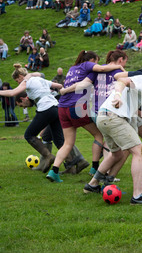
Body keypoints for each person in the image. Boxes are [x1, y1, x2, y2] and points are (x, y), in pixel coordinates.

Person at [83, 67, 142, 205]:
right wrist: (117, 96)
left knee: (117, 155)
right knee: (139, 151)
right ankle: (138, 196)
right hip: (113, 118)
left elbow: (129, 100)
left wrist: (140, 113)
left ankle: (92, 185)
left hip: (104, 117)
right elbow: (121, 81)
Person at [0, 64, 88, 176]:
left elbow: (12, 93)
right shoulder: (39, 79)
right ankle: (71, 165)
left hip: (46, 108)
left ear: (21, 76)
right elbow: (59, 85)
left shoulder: (27, 81)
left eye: (18, 81)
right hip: (56, 107)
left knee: (29, 135)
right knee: (59, 140)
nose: (19, 83)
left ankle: (48, 156)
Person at [45, 51, 125, 180]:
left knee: (68, 143)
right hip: (76, 107)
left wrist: (65, 90)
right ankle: (94, 168)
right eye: (96, 61)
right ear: (91, 60)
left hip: (62, 108)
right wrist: (118, 67)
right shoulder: (87, 65)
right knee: (99, 135)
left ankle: (53, 171)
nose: (97, 64)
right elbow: (102, 68)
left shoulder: (72, 69)